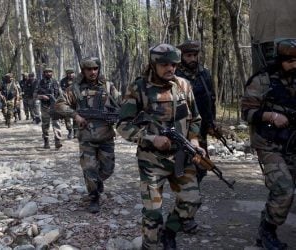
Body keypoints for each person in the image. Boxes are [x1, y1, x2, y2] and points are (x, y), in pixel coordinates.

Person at [116, 44, 203, 250]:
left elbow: (196, 118)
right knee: (153, 212)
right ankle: (150, 245)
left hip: (182, 157)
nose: (170, 68)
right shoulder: (139, 88)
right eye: (164, 64)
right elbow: (122, 125)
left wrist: (195, 140)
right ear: (153, 64)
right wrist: (149, 138)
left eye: (173, 64)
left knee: (192, 200)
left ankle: (170, 232)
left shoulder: (184, 85)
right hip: (151, 161)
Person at [241, 38, 296, 250]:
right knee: (283, 188)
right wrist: (271, 116)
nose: (294, 65)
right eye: (289, 61)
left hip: (293, 143)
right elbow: (247, 112)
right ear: (279, 60)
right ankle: (267, 231)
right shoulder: (262, 81)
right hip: (269, 144)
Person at [55, 57, 120, 214]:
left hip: (106, 135)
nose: (92, 72)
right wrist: (75, 116)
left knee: (108, 169)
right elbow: (59, 104)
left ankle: (96, 183)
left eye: (95, 69)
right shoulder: (75, 89)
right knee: (89, 168)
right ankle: (94, 198)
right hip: (86, 136)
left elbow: (121, 104)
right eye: (89, 69)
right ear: (83, 71)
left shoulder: (108, 86)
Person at [175, 40, 216, 184]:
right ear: (181, 57)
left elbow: (211, 99)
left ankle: (192, 190)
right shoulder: (175, 75)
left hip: (201, 126)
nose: (192, 59)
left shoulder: (204, 74)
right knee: (182, 163)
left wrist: (212, 123)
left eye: (194, 55)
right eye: (188, 55)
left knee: (202, 163)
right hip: (181, 126)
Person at [34, 68, 63, 149]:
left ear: (52, 73)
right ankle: (46, 141)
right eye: (46, 72)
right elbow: (35, 95)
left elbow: (61, 94)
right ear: (44, 73)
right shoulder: (40, 83)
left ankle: (58, 141)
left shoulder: (55, 82)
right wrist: (42, 96)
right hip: (45, 107)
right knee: (45, 125)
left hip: (55, 107)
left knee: (56, 124)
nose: (48, 73)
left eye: (50, 72)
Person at [60, 68, 76, 139]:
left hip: (76, 101)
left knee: (76, 116)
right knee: (67, 117)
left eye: (71, 73)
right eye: (69, 73)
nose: (70, 74)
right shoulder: (63, 81)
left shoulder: (78, 80)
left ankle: (76, 132)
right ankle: (70, 131)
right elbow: (62, 91)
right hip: (67, 101)